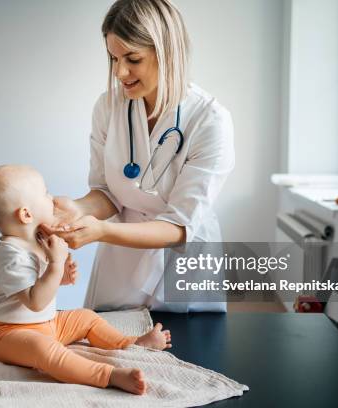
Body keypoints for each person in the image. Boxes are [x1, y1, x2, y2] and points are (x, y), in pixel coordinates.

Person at [43, 0, 235, 312]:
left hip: (184, 263)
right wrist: (77, 209)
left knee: (189, 355)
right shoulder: (109, 107)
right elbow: (106, 193)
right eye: (114, 58)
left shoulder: (209, 120)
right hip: (122, 263)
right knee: (110, 353)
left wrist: (103, 231)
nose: (120, 72)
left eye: (133, 59)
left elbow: (178, 226)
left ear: (167, 52)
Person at [0, 165, 171, 395]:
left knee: (86, 317)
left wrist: (62, 276)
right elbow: (35, 301)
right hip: (7, 334)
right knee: (45, 351)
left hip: (46, 324)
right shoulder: (10, 255)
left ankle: (129, 343)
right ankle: (108, 375)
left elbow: (38, 285)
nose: (52, 198)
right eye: (45, 193)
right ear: (26, 214)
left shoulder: (39, 238)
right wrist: (56, 266)